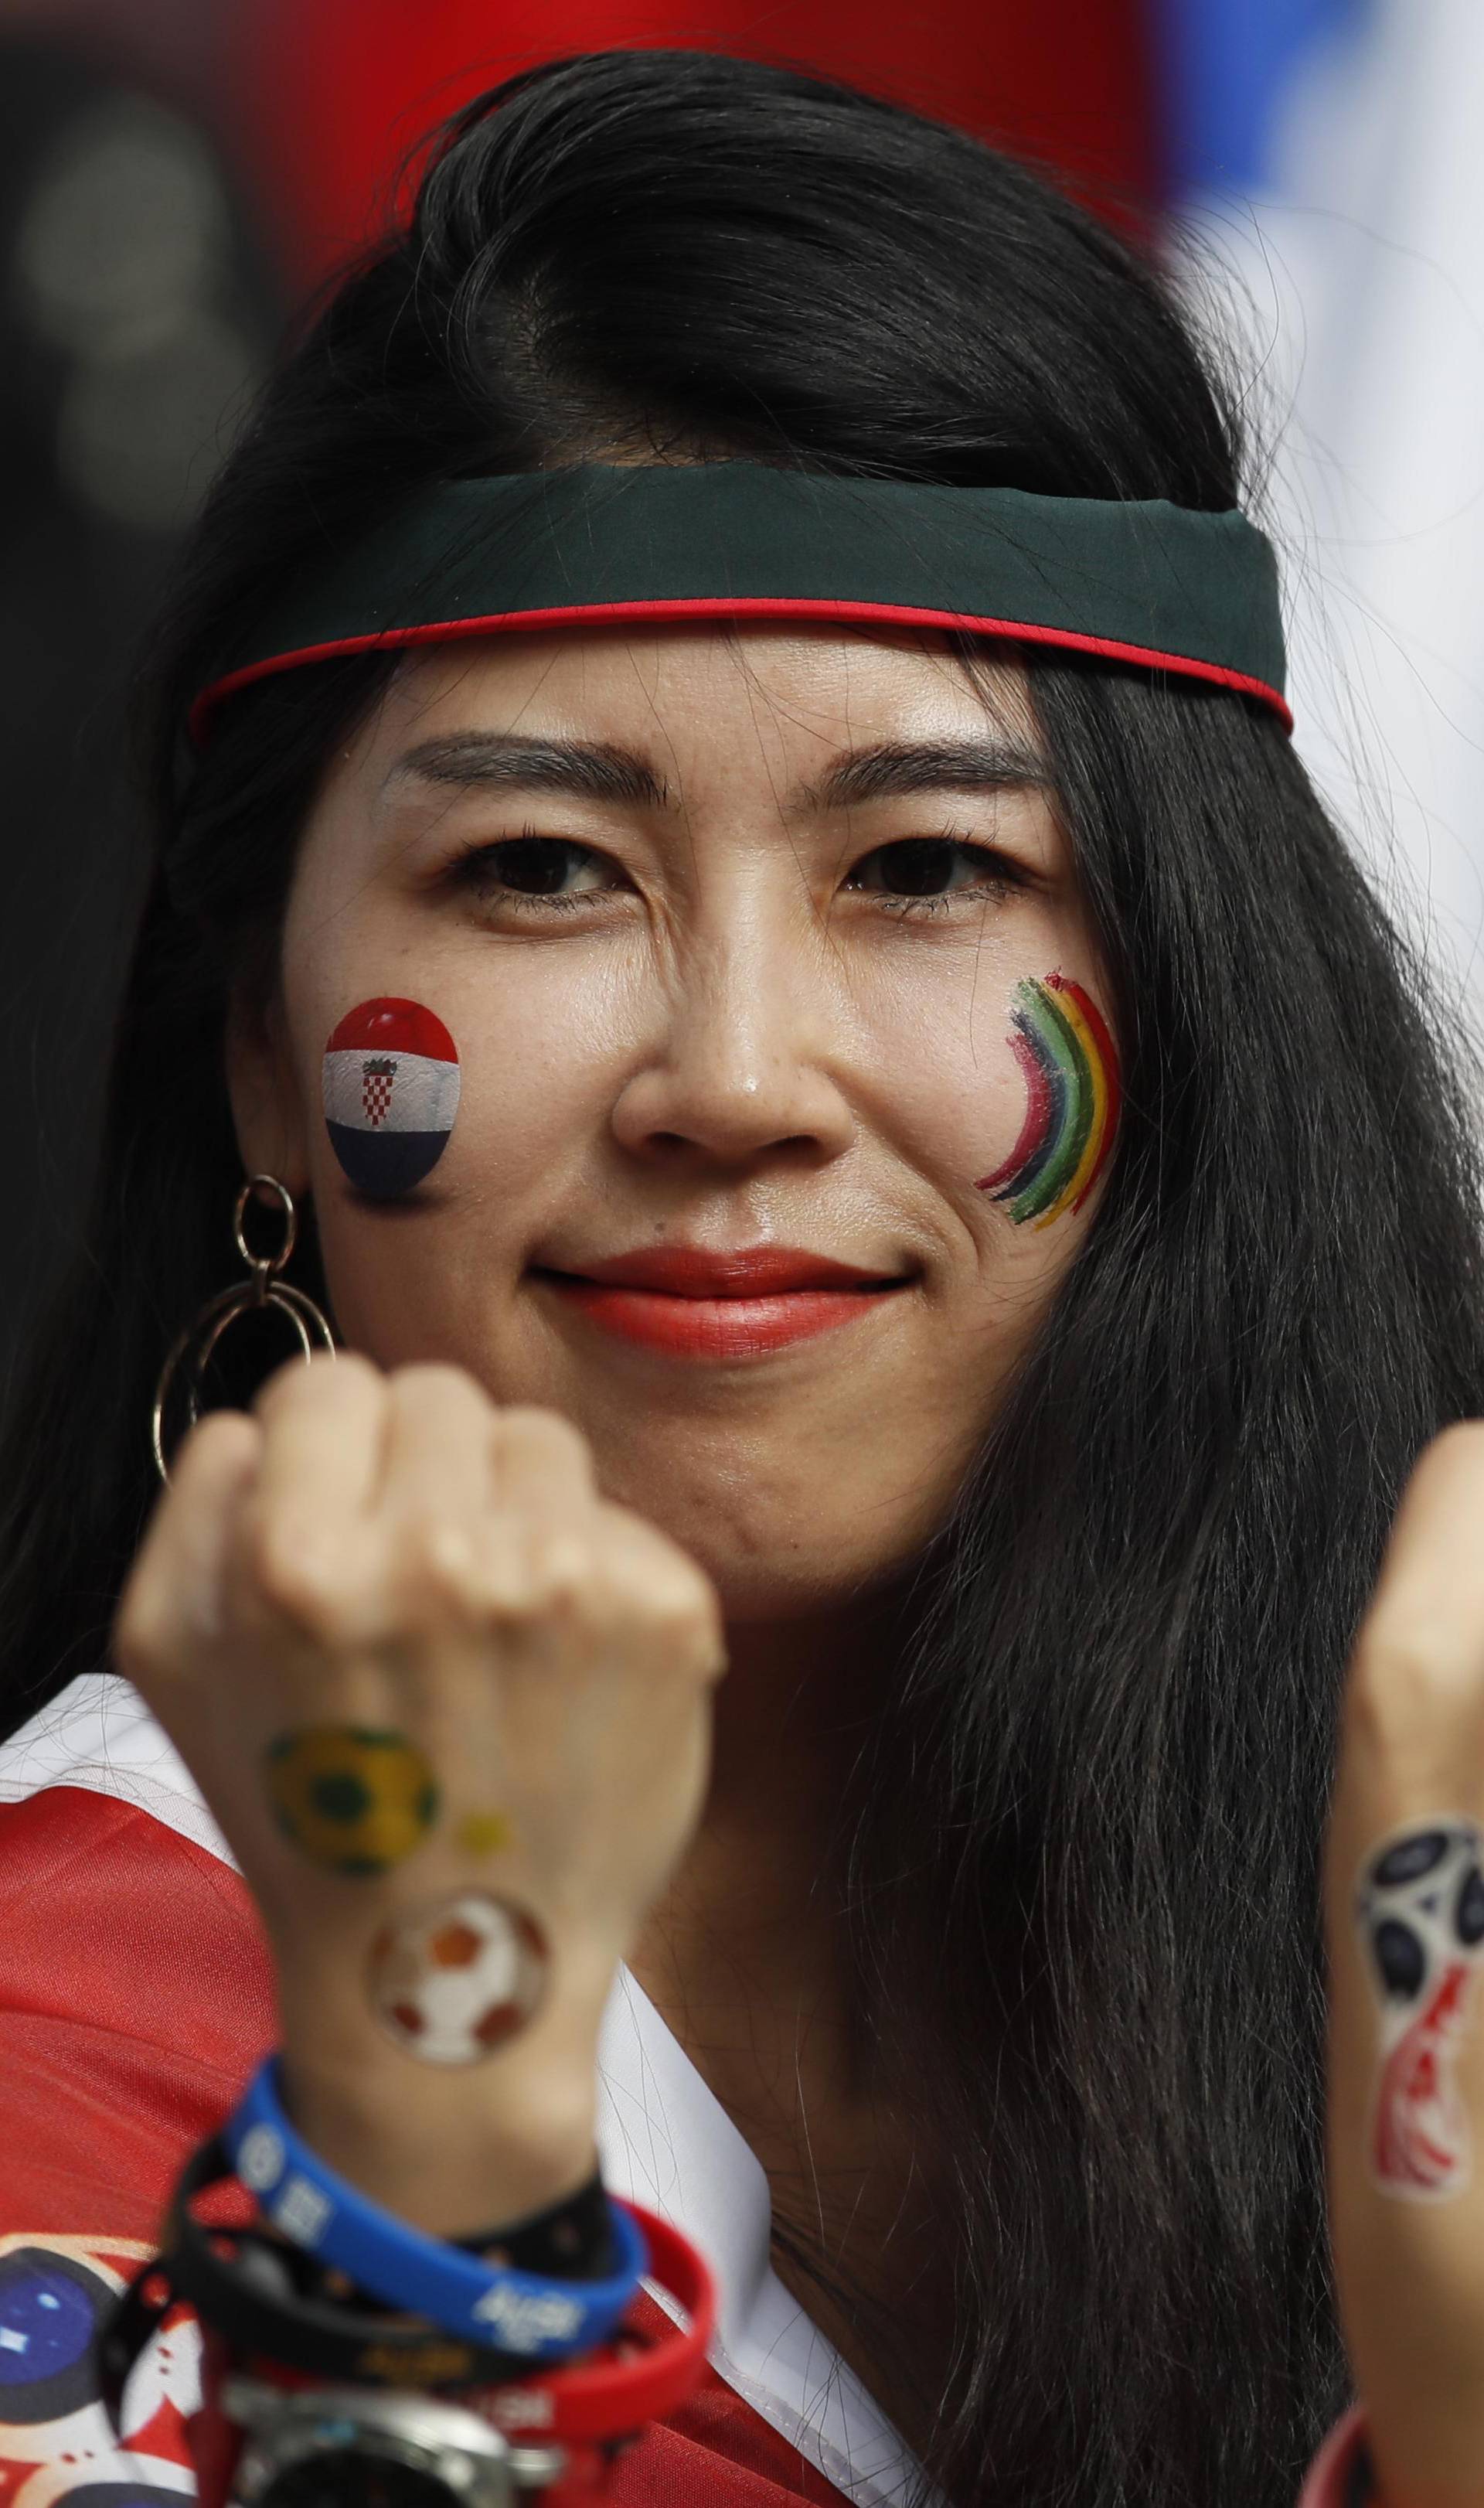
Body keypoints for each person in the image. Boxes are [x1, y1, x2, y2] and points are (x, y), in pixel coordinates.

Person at [2, 43, 1484, 2508]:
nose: (734, 1073)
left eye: (925, 868)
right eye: (541, 873)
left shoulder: (1360, 1875)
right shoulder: (64, 2050)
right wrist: (421, 2175)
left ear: (1197, 994)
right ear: (262, 1058)